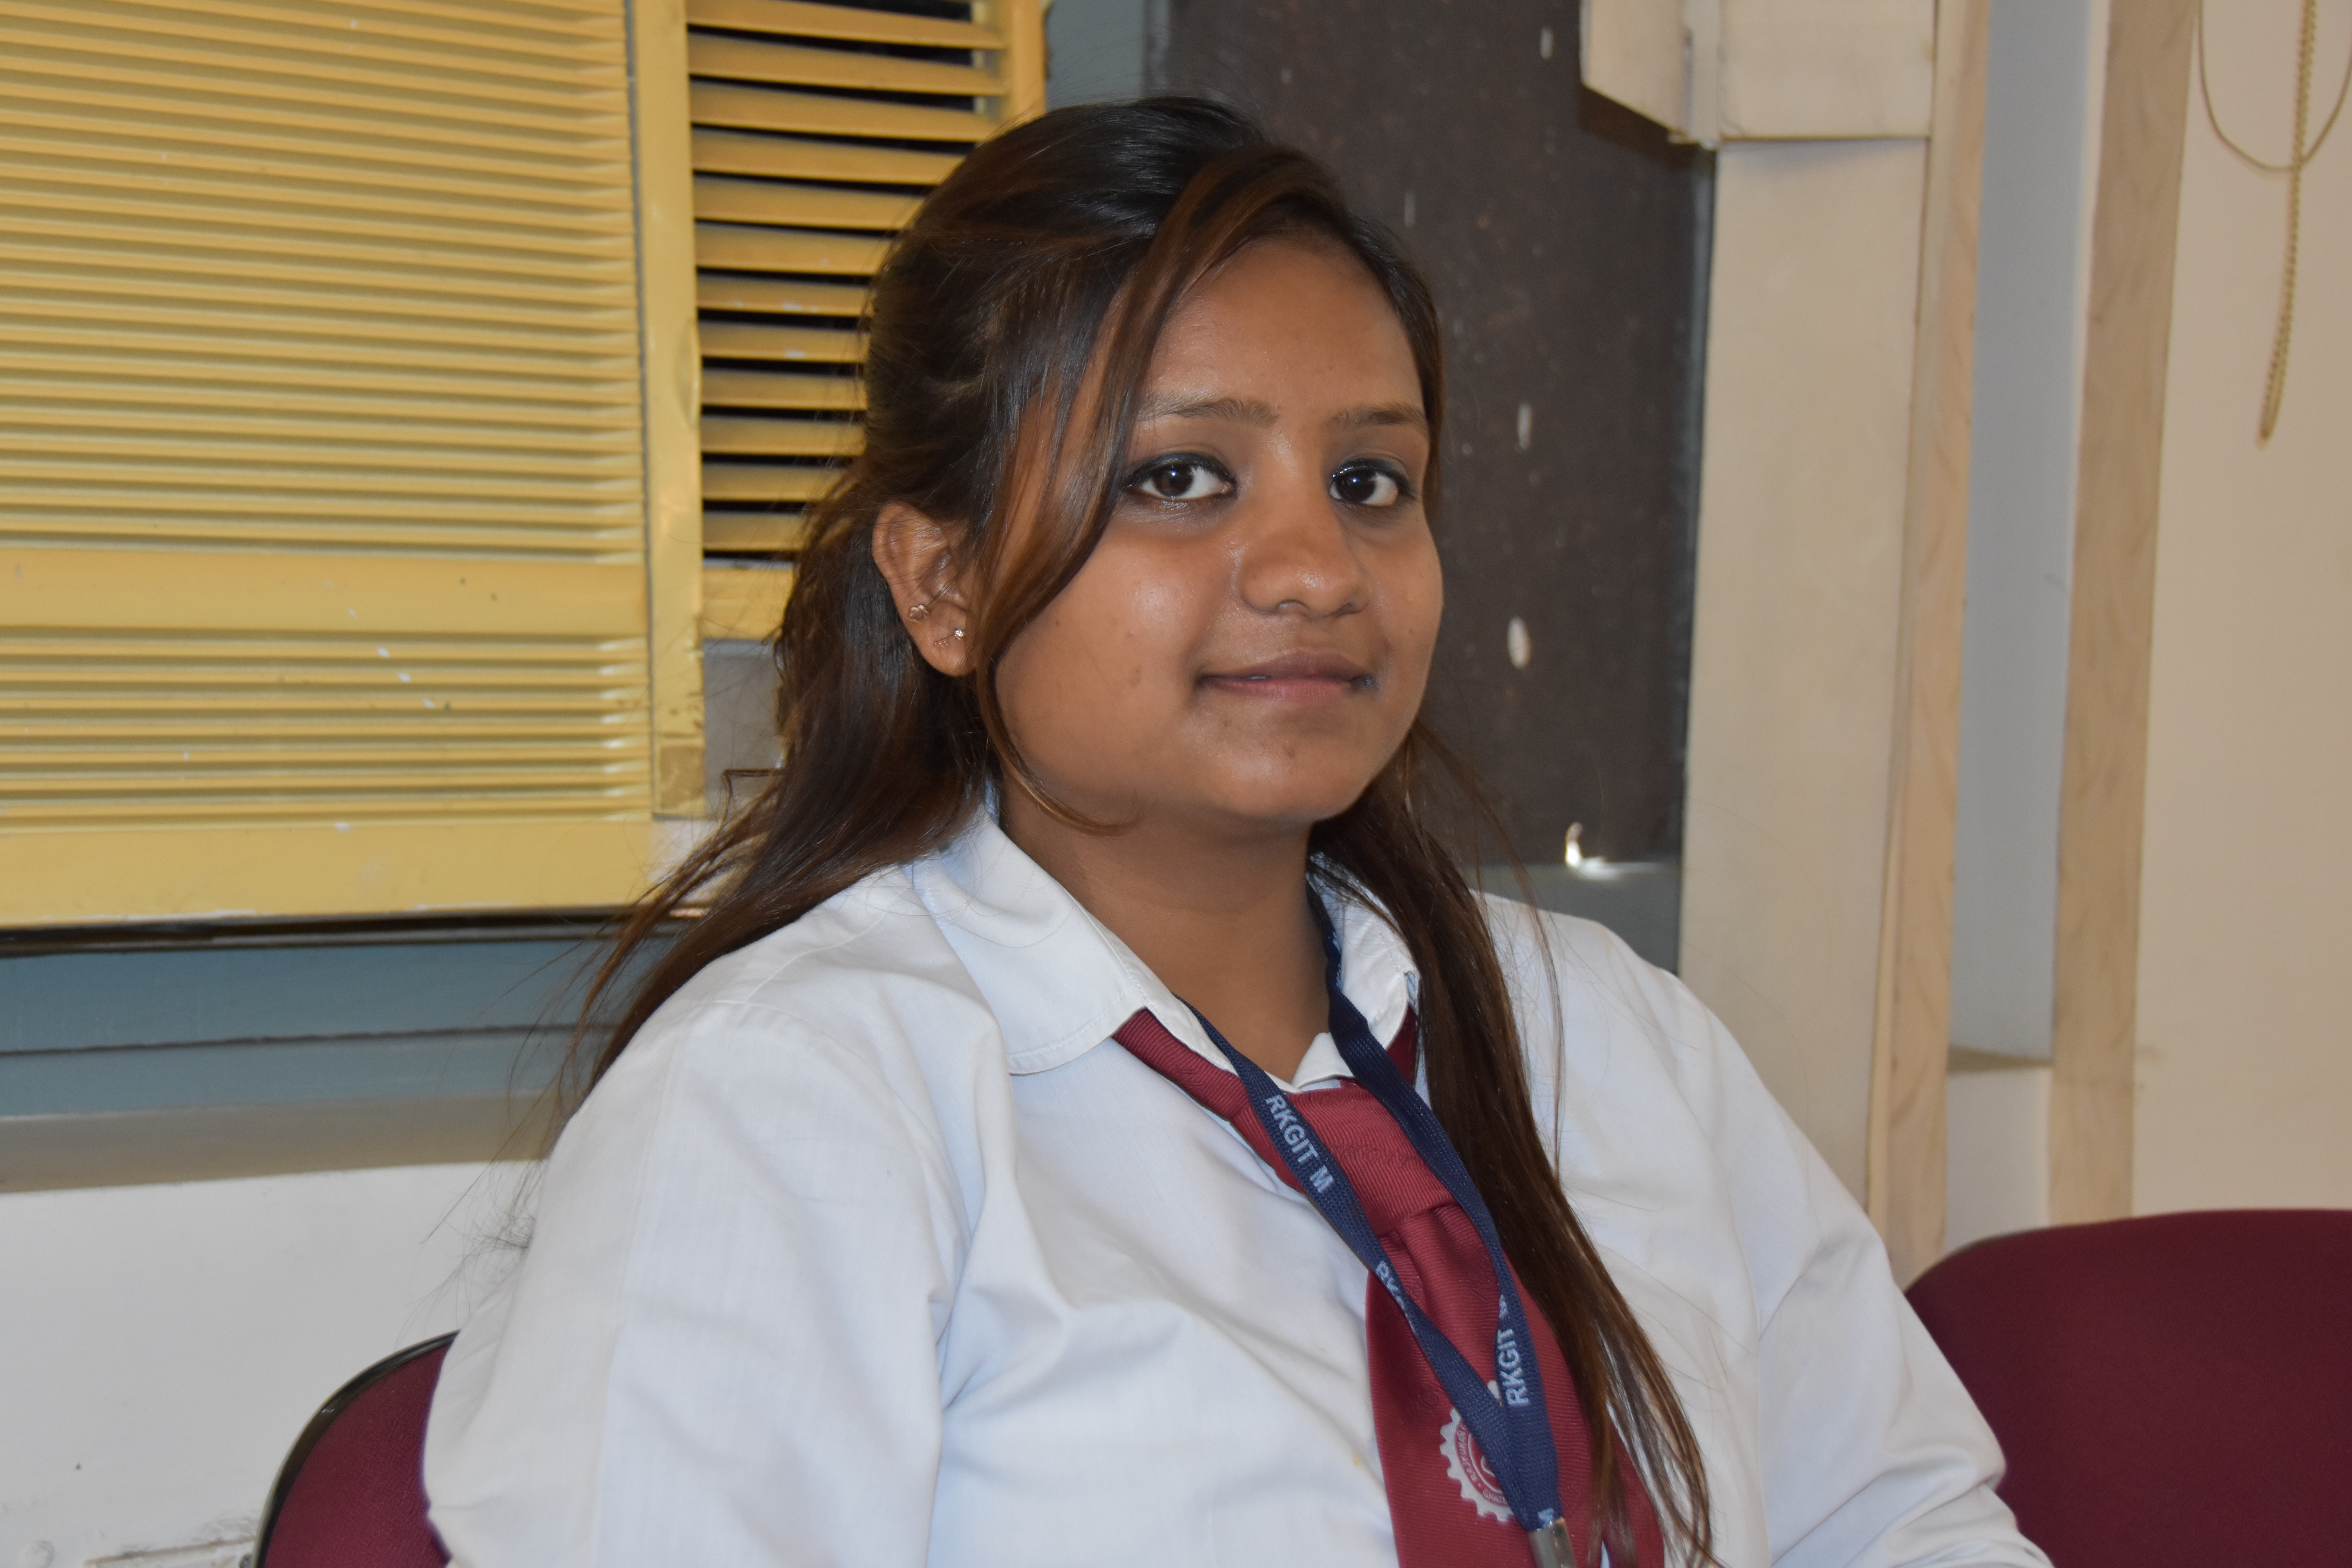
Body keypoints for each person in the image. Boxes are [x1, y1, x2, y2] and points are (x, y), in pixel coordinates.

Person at [422, 99, 2047, 1568]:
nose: (1317, 568)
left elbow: (1902, 1521)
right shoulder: (793, 1101)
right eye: (1184, 476)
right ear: (945, 583)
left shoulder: (1605, 1037)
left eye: (1372, 481)